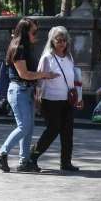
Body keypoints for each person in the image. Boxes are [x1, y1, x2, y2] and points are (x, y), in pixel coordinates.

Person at [0, 18, 56, 173]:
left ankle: (24, 161)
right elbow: (24, 74)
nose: (36, 35)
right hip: (18, 90)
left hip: (26, 90)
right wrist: (45, 75)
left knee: (29, 128)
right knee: (24, 126)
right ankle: (2, 152)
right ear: (25, 32)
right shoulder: (18, 48)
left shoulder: (25, 48)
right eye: (34, 32)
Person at [29, 25, 82, 173]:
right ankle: (32, 156)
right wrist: (37, 98)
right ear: (52, 41)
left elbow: (75, 77)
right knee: (53, 129)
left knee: (68, 132)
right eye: (59, 40)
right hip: (50, 99)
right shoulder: (47, 58)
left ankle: (66, 162)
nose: (62, 43)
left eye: (64, 40)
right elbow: (39, 78)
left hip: (68, 99)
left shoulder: (69, 57)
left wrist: (79, 96)